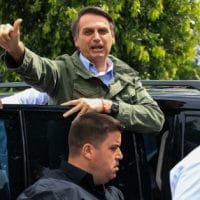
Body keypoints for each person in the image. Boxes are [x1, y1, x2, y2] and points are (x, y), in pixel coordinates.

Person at [0, 6, 164, 133]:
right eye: (88, 32)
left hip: (119, 172)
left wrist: (107, 106)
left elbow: (155, 118)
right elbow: (38, 69)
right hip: (71, 174)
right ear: (76, 40)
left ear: (112, 38)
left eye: (102, 31)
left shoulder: (127, 77)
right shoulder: (62, 71)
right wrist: (16, 50)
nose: (97, 37)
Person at [17, 112, 124, 200]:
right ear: (88, 151)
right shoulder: (50, 193)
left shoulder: (114, 194)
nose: (120, 155)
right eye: (113, 148)